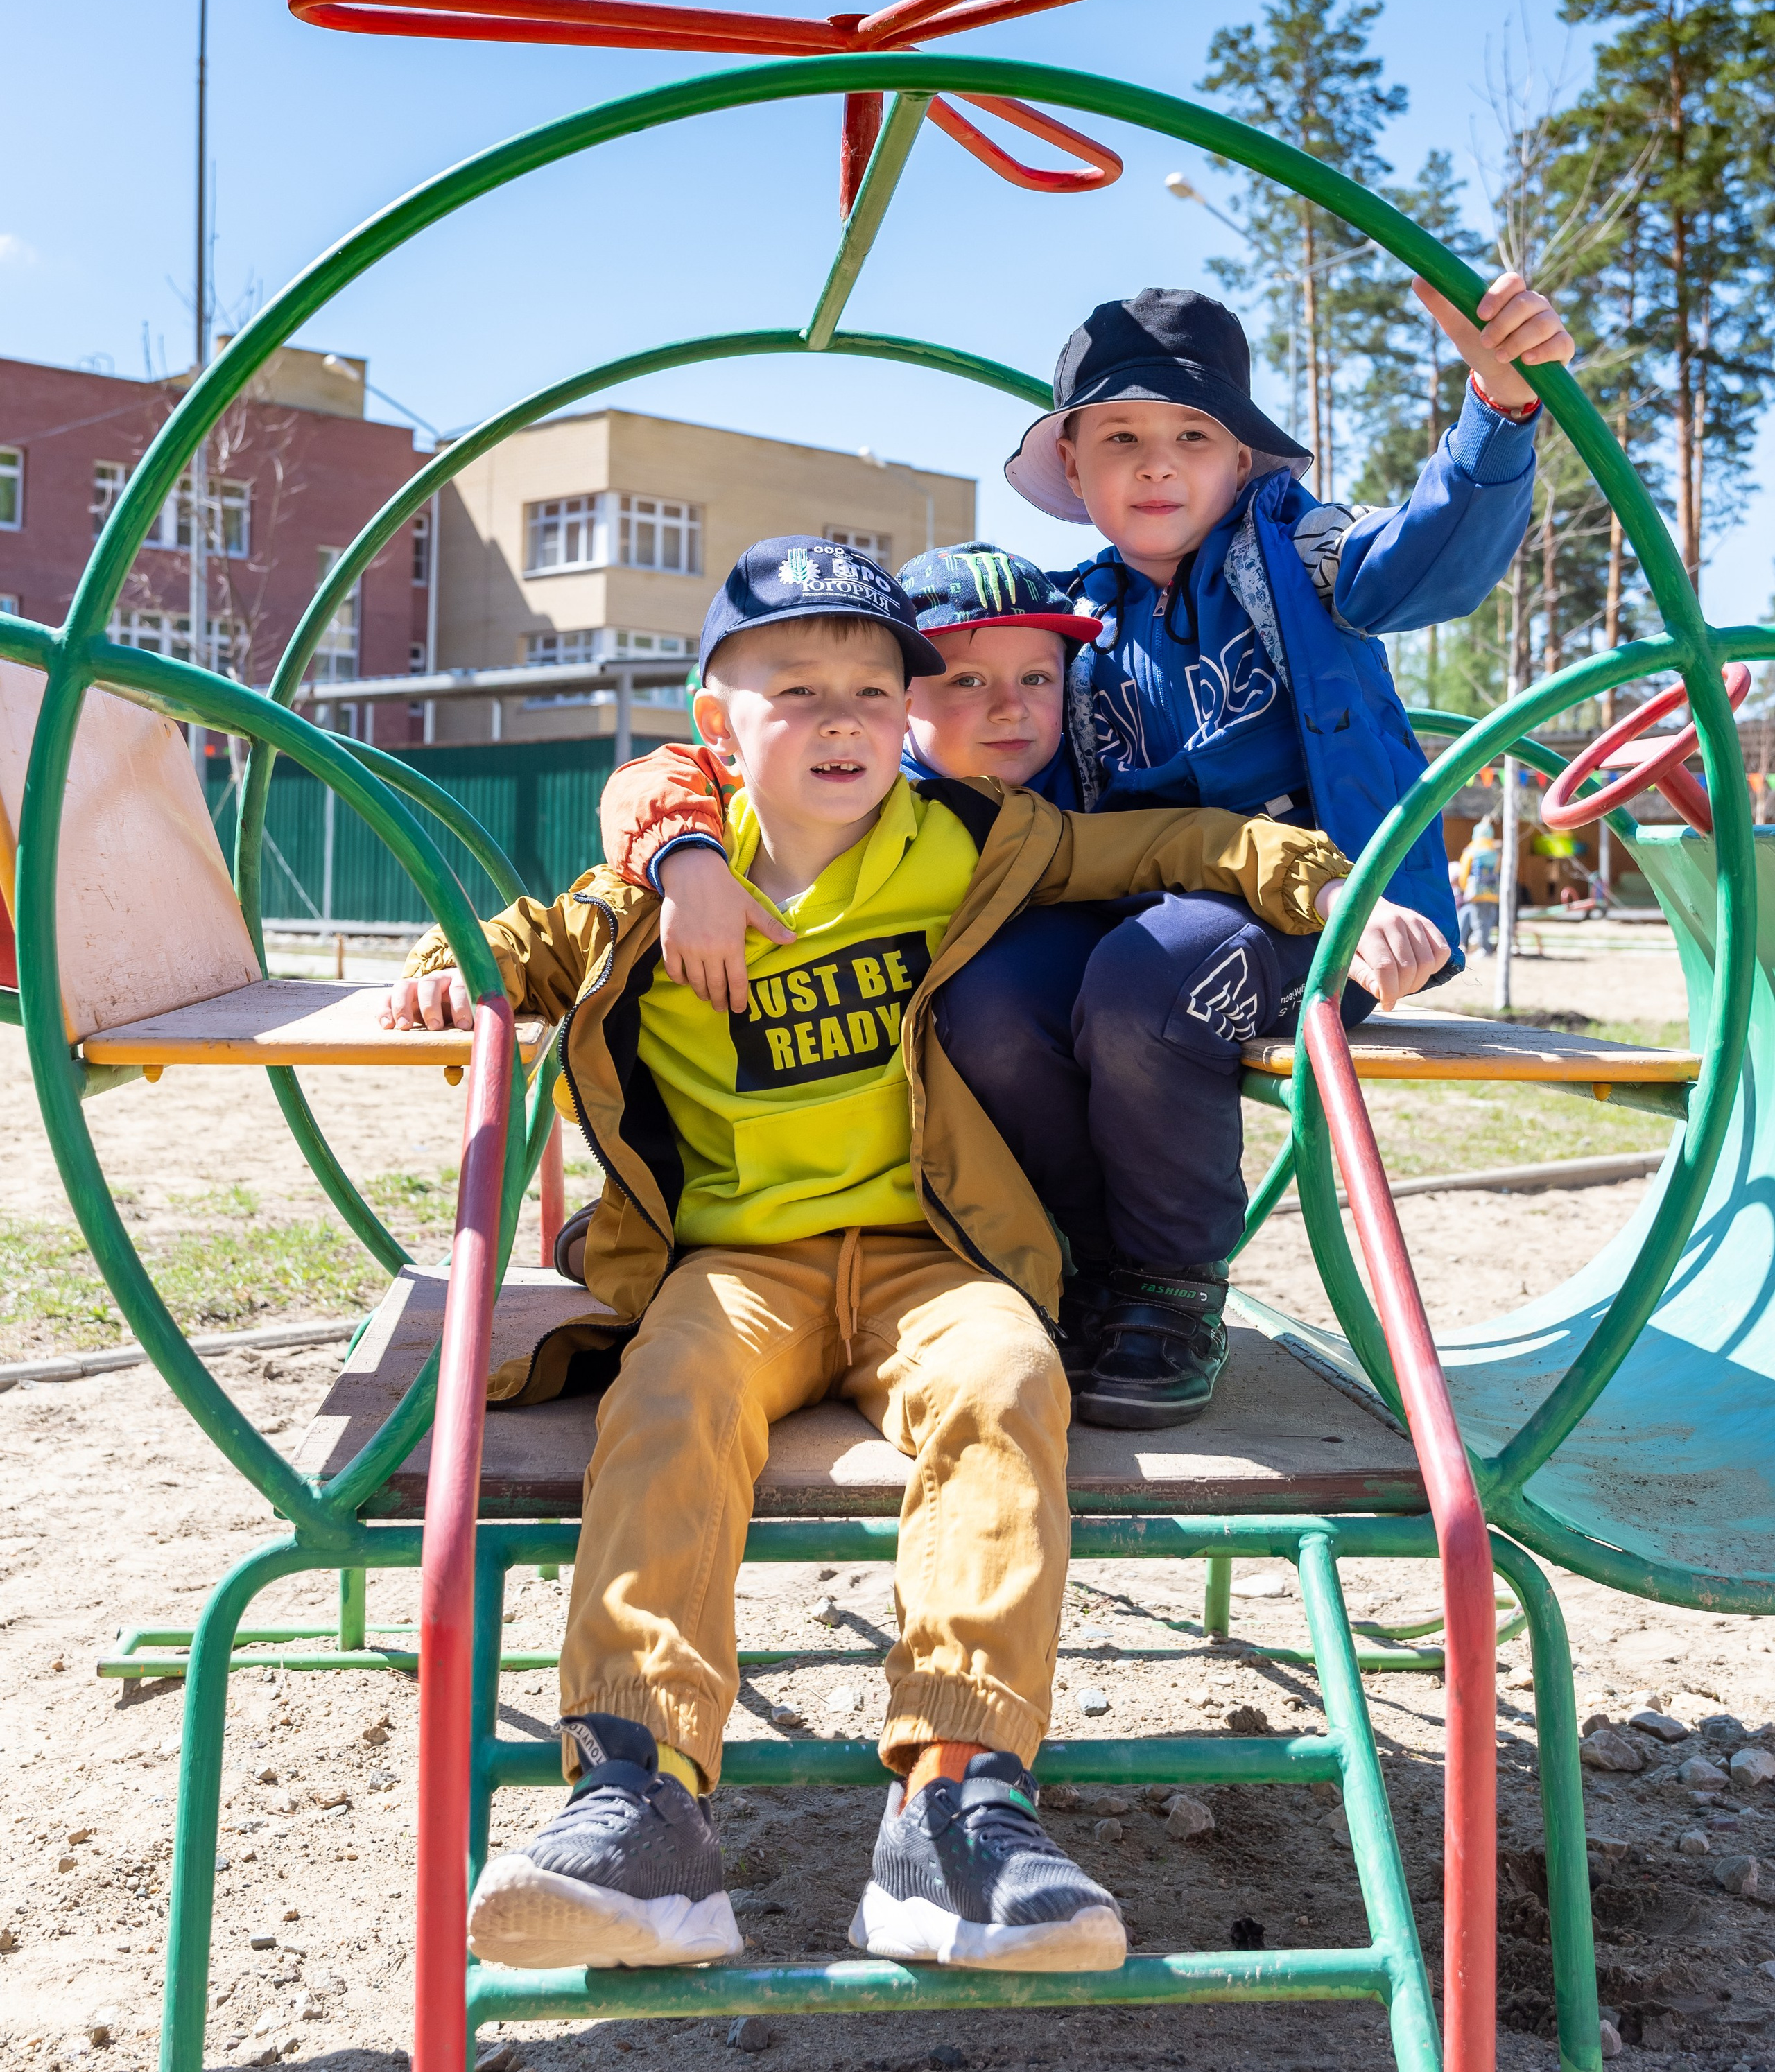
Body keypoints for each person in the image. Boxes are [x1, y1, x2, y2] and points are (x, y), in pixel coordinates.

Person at [380, 536, 1358, 1976]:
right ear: (718, 727)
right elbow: (510, 945)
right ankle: (634, 1793)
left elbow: (1160, 844)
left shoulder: (965, 845)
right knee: (669, 1397)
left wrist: (1312, 876)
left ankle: (957, 1807)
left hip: (923, 1253)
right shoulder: (654, 887)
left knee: (1012, 1375)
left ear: (905, 713)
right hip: (739, 1263)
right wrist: (436, 968)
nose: (837, 719)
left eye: (865, 688)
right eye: (795, 690)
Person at [591, 268, 1566, 1426]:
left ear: (1241, 462)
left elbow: (1428, 561)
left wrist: (1496, 412)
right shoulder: (1074, 621)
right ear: (1075, 471)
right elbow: (866, 746)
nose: (1158, 463)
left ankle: (1167, 1282)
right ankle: (1089, 1263)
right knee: (983, 1000)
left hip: (1329, 918)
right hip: (1137, 916)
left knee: (1144, 982)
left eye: (1192, 435)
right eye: (1121, 439)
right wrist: (689, 846)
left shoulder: (1302, 558)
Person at [1455, 815, 1502, 955]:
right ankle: (1485, 946)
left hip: (1476, 891)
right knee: (1488, 920)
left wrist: (1464, 888)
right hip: (1493, 891)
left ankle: (1483, 949)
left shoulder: (1471, 851)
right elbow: (1497, 870)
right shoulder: (1495, 851)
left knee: (1478, 921)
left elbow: (1464, 873)